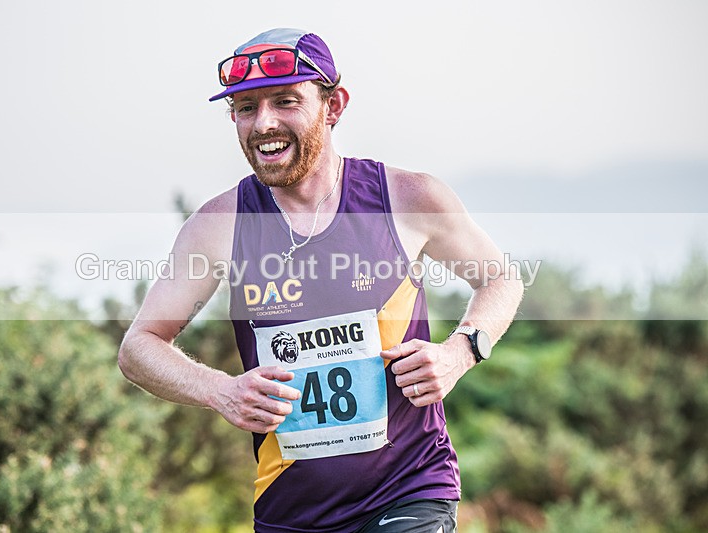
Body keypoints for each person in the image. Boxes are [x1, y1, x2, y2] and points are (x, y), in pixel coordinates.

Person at [118, 28, 524, 533]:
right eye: (246, 108)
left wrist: (460, 351)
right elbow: (139, 346)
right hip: (289, 511)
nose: (263, 123)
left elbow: (500, 279)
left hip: (408, 490)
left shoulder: (406, 198)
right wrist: (219, 390)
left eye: (285, 101)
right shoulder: (219, 224)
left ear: (334, 106)